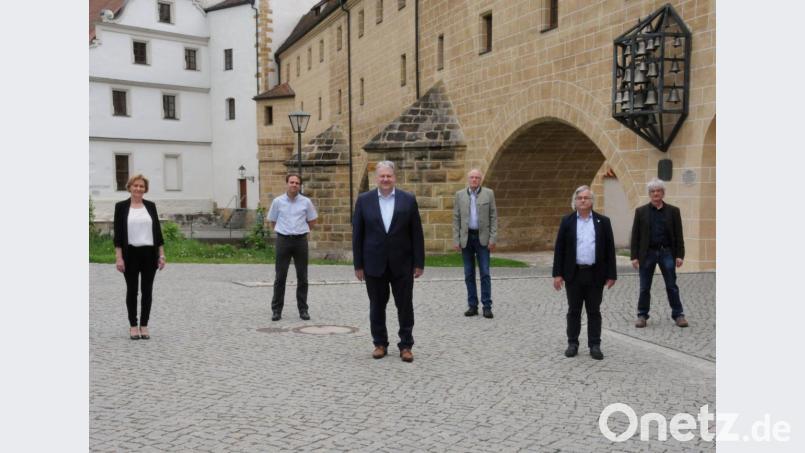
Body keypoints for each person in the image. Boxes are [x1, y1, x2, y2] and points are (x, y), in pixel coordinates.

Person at [352, 161, 425, 362]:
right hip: (373, 264)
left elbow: (416, 233)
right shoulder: (364, 200)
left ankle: (406, 345)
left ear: (395, 177)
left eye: (389, 176)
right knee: (376, 305)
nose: (385, 179)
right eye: (382, 176)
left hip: (403, 263)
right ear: (377, 178)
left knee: (405, 306)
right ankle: (380, 343)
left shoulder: (408, 200)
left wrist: (419, 263)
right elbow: (357, 234)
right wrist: (358, 265)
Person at [552, 185, 617, 360]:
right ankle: (572, 343)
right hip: (574, 273)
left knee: (594, 310)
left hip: (595, 273)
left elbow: (610, 249)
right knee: (574, 310)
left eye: (586, 198)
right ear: (575, 201)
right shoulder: (567, 221)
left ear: (591, 201)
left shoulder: (603, 222)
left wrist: (612, 274)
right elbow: (560, 249)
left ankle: (595, 345)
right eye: (579, 198)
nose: (582, 200)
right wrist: (557, 274)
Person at [630, 177, 688, 328]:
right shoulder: (641, 211)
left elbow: (679, 234)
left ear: (663, 193)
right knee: (644, 287)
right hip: (647, 254)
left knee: (671, 285)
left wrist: (680, 255)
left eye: (658, 191)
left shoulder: (673, 211)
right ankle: (642, 315)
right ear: (649, 194)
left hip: (666, 252)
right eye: (653, 191)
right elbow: (635, 236)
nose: (656, 193)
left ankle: (678, 314)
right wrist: (634, 256)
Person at [114, 174, 166, 340]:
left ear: (145, 189)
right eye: (135, 185)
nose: (138, 188)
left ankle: (144, 325)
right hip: (130, 254)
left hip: (149, 254)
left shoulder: (150, 206)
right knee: (132, 291)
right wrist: (119, 257)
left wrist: (162, 254)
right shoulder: (121, 207)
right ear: (129, 187)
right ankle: (133, 326)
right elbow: (118, 235)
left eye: (141, 186)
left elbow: (157, 232)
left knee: (147, 291)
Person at [267, 174, 318, 321]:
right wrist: (283, 231)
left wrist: (302, 230)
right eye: (292, 182)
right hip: (283, 240)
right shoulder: (278, 202)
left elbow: (312, 220)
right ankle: (276, 310)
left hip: (300, 241)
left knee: (302, 277)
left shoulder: (306, 202)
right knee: (280, 277)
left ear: (300, 185)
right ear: (287, 184)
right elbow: (273, 221)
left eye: (297, 183)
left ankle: (303, 309)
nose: (294, 185)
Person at [453, 169, 498, 318]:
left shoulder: (488, 194)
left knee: (485, 273)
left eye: (477, 178)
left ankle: (487, 306)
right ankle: (472, 305)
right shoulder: (460, 195)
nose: (474, 180)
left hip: (482, 238)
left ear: (480, 180)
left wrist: (493, 239)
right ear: (468, 179)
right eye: (472, 177)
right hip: (466, 238)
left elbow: (493, 217)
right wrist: (456, 239)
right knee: (468, 273)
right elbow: (456, 218)